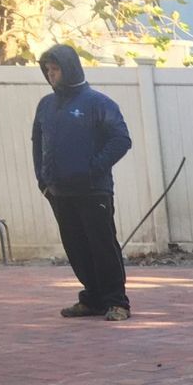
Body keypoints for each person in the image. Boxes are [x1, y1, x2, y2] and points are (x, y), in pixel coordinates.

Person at [32, 45, 133, 321]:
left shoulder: (98, 104)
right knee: (76, 247)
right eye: (48, 71)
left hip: (93, 190)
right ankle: (93, 299)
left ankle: (116, 302)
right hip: (59, 192)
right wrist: (43, 181)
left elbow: (121, 140)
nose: (52, 75)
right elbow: (38, 143)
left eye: (56, 69)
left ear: (70, 68)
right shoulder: (45, 105)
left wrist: (93, 168)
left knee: (101, 246)